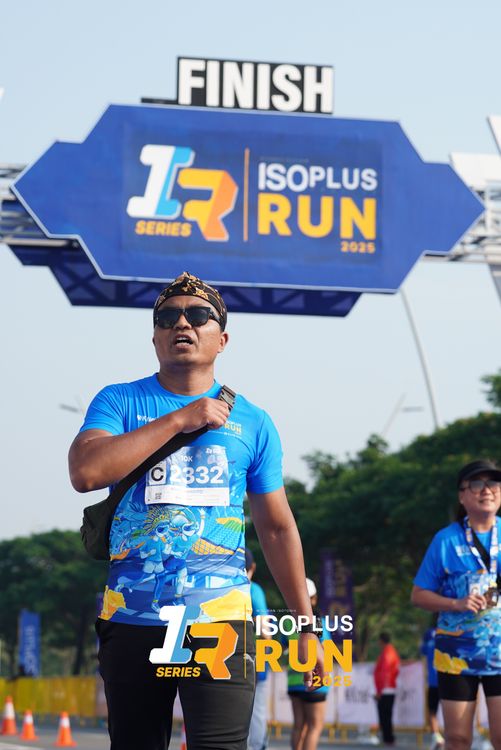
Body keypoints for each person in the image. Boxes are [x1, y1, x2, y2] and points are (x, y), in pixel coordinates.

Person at [69, 271, 323, 750]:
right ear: (155, 338)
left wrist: (306, 626)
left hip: (220, 622)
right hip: (133, 617)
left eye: (198, 315)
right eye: (167, 317)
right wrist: (181, 419)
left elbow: (276, 528)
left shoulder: (254, 421)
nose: (181, 324)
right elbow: (85, 472)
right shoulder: (120, 400)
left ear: (221, 340)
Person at [411, 460, 501, 750]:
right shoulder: (446, 540)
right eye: (476, 484)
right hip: (456, 653)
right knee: (458, 739)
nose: (486, 490)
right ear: (462, 495)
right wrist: (456, 603)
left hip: (499, 652)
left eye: (493, 483)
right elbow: (418, 595)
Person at [287, 578, 329, 750]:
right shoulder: (318, 622)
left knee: (299, 725)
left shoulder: (288, 623)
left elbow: (283, 646)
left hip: (293, 682)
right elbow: (325, 649)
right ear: (314, 598)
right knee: (314, 727)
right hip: (315, 681)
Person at [246, 547, 270, 750]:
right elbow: (265, 630)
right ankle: (257, 746)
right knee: (257, 709)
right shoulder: (254, 590)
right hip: (256, 659)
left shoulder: (226, 589)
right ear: (253, 567)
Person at [374, 632, 400, 746]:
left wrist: (379, 691)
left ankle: (388, 738)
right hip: (388, 688)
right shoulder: (390, 651)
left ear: (381, 641)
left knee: (385, 716)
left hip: (386, 689)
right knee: (386, 716)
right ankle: (388, 738)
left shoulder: (387, 653)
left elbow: (384, 673)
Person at [420, 627, 444, 749]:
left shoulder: (428, 645)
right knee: (449, 711)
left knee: (432, 711)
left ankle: (436, 736)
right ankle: (448, 736)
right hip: (447, 682)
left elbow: (422, 651)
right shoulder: (445, 641)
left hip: (433, 683)